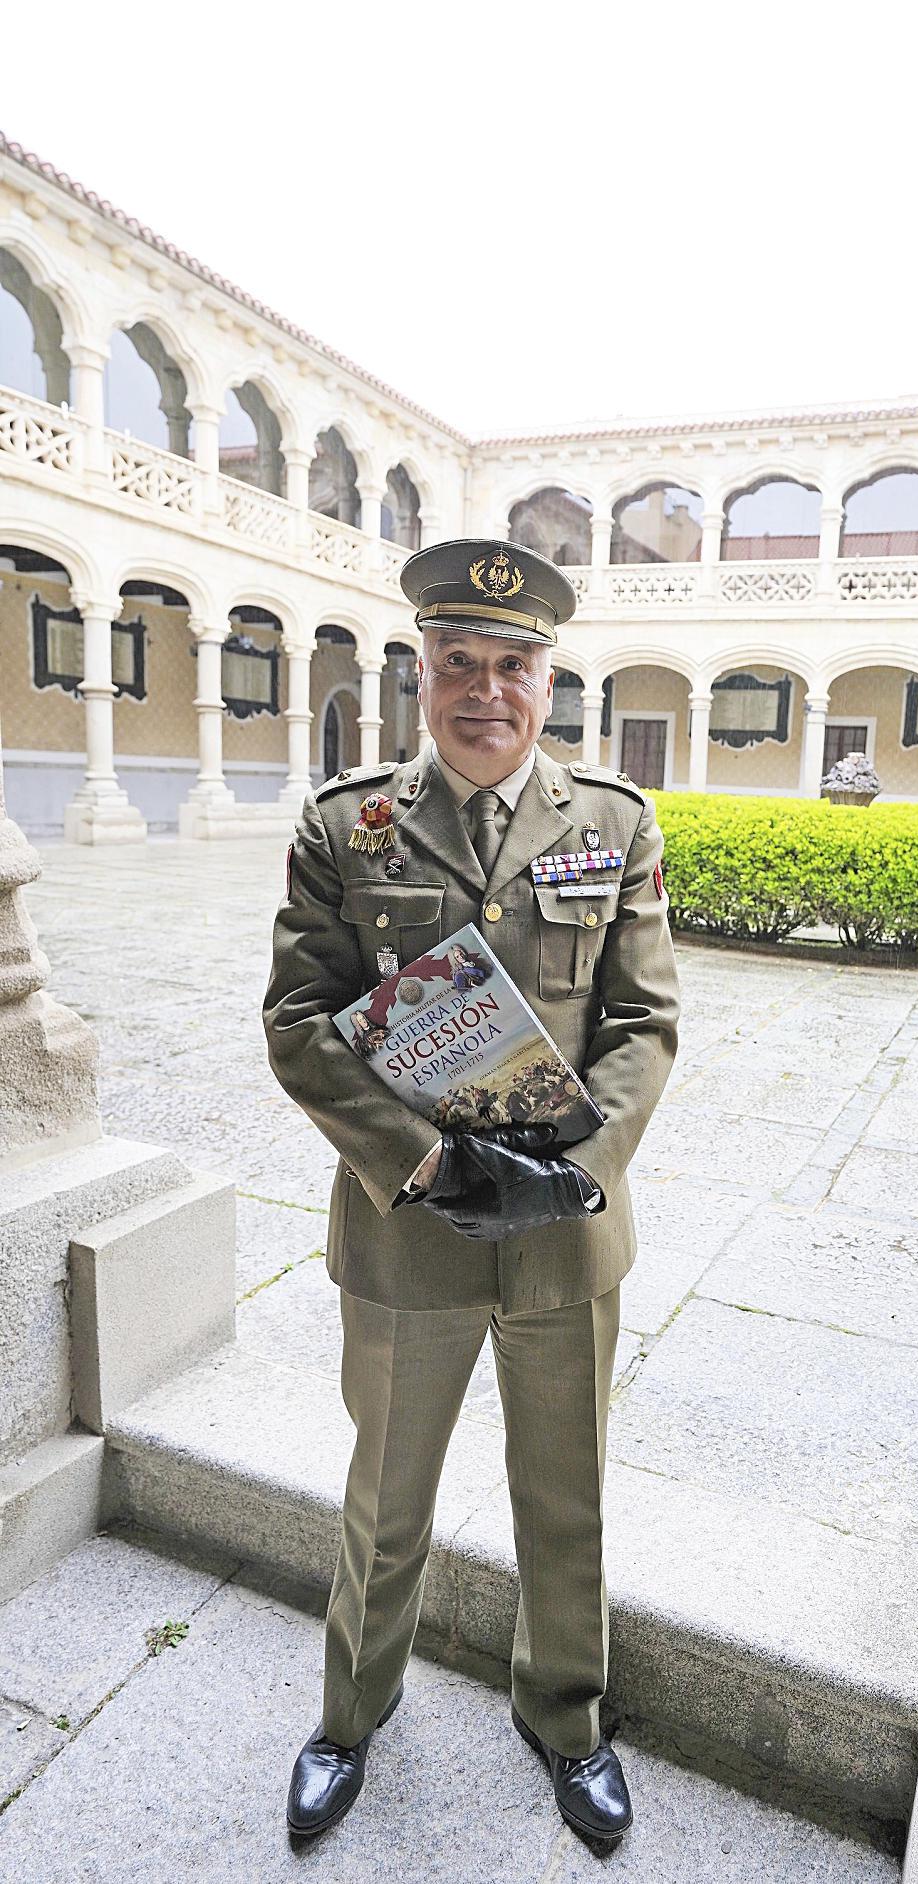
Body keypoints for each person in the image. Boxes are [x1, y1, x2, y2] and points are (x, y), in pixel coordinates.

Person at [263, 536, 680, 1850]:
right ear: (422, 674)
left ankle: (568, 1719)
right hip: (411, 1234)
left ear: (548, 680)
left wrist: (577, 1171)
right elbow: (298, 1020)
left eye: (512, 665)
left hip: (563, 1240)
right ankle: (350, 1717)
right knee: (386, 1496)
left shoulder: (614, 822)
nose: (485, 689)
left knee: (569, 1493)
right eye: (459, 664)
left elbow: (645, 1023)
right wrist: (427, 1161)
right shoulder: (349, 826)